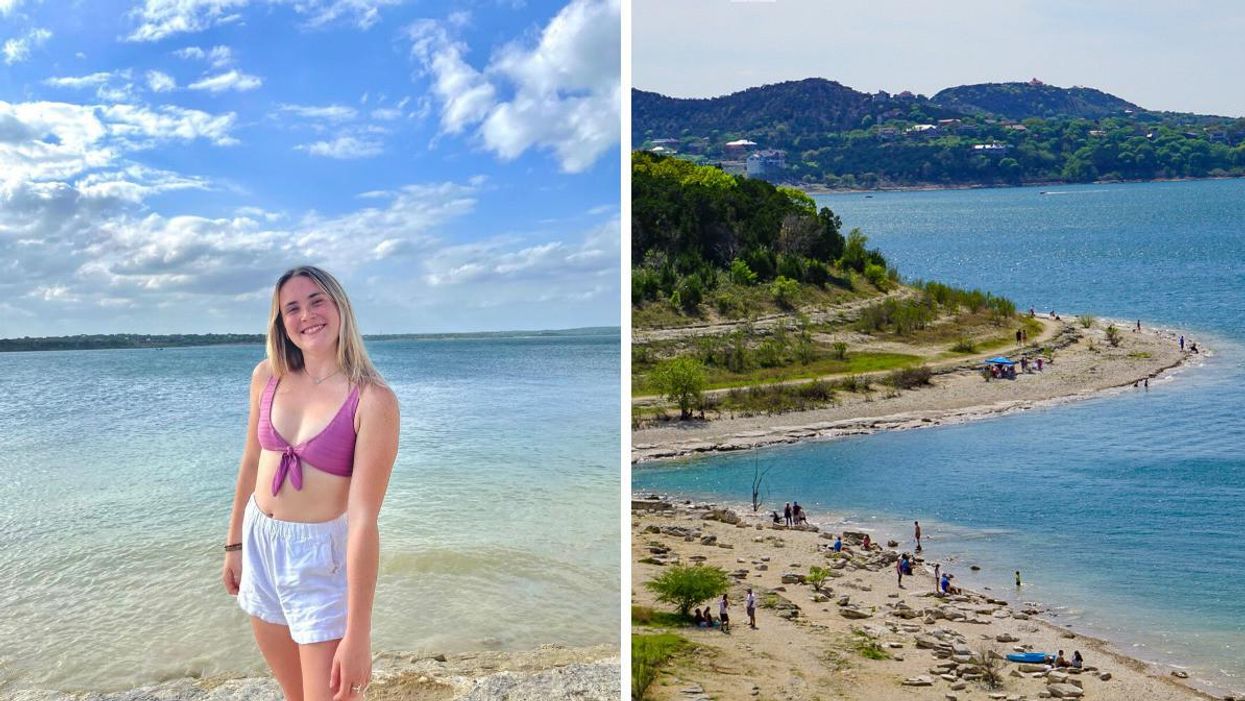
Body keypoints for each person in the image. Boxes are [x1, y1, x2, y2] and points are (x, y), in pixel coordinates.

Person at [223, 266, 401, 701]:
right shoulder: (268, 376)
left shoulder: (372, 400)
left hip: (320, 560)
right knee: (295, 695)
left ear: (339, 306)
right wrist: (234, 546)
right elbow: (250, 461)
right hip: (261, 543)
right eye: (292, 308)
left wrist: (358, 635)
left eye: (317, 301)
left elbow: (362, 522)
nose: (307, 315)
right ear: (281, 322)